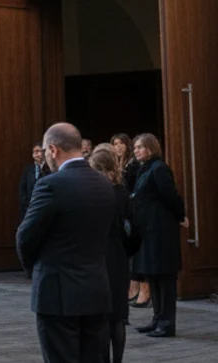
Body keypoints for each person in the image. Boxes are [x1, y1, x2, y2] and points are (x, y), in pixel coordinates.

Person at [17, 123, 115, 363]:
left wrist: (34, 268)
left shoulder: (50, 185)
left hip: (57, 294)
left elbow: (25, 237)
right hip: (96, 290)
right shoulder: (104, 183)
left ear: (53, 149)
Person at [130, 133, 187, 338]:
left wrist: (181, 216)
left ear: (151, 149)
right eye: (135, 147)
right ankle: (156, 319)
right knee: (152, 276)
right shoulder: (143, 169)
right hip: (148, 232)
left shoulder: (159, 168)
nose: (135, 150)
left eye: (140, 147)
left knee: (164, 278)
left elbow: (170, 195)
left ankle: (167, 323)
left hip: (161, 232)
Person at [89, 145, 139, 363]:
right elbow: (134, 227)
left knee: (101, 317)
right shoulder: (121, 190)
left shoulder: (91, 191)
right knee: (117, 317)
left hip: (96, 255)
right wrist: (126, 250)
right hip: (118, 255)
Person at [109, 133, 145, 307]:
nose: (118, 147)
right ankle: (132, 286)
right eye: (115, 144)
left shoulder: (133, 164)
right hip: (121, 210)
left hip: (131, 209)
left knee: (133, 249)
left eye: (121, 143)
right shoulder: (116, 164)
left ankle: (139, 287)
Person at [18, 144, 48, 218]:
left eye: (38, 151)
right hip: (29, 208)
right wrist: (25, 205)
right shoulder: (28, 169)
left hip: (44, 208)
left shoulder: (50, 168)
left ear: (44, 152)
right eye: (33, 152)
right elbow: (22, 188)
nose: (35, 155)